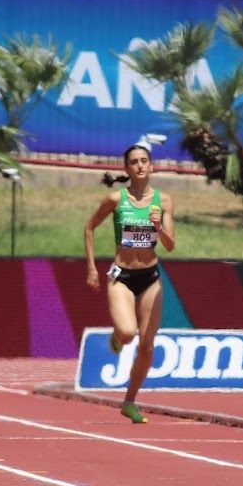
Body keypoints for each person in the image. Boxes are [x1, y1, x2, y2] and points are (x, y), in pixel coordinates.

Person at [84, 143, 175, 424]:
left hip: (150, 278)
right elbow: (89, 228)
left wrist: (159, 226)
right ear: (127, 168)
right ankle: (117, 337)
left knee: (147, 346)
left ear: (151, 166)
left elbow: (170, 246)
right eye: (133, 162)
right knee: (127, 332)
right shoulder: (115, 199)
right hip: (121, 275)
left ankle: (130, 402)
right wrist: (91, 268)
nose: (139, 165)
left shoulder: (164, 201)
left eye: (144, 161)